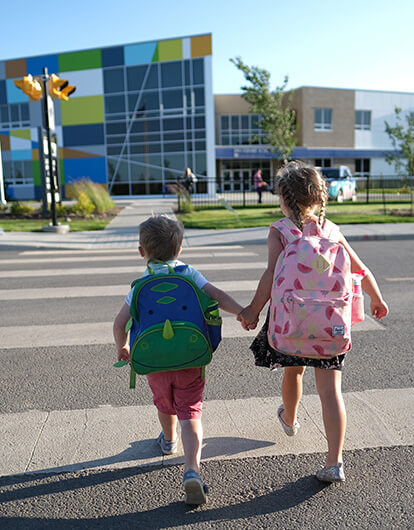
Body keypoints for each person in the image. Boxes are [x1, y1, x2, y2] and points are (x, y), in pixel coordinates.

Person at [238, 161, 389, 483]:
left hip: (291, 323)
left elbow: (270, 274)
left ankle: (290, 419)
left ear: (283, 198)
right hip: (330, 327)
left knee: (293, 372)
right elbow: (359, 269)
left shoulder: (280, 230)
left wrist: (252, 310)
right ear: (319, 196)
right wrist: (377, 298)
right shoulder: (331, 231)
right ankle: (334, 462)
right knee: (331, 391)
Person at [113, 215, 243, 505]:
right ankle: (192, 469)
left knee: (164, 403)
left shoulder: (140, 285)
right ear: (180, 249)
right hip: (190, 356)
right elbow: (217, 296)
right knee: (191, 411)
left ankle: (168, 440)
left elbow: (119, 323)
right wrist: (243, 312)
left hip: (154, 360)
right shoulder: (190, 274)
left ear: (141, 252)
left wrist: (122, 347)